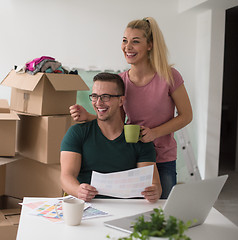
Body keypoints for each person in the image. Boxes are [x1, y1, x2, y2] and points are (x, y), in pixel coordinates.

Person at [69, 17, 192, 199]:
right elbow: (117, 120)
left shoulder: (169, 76)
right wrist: (88, 116)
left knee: (161, 213)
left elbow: (186, 116)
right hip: (132, 158)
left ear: (149, 45)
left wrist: (155, 133)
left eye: (135, 41)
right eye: (125, 40)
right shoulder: (122, 81)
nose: (127, 47)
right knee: (132, 213)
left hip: (162, 158)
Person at [60, 72, 162, 203]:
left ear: (121, 100)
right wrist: (78, 190)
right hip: (87, 207)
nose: (98, 102)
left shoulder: (139, 138)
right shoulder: (77, 133)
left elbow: (154, 184)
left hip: (126, 209)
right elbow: (66, 177)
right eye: (95, 96)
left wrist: (154, 191)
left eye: (105, 97)